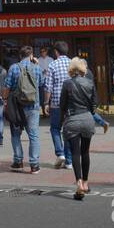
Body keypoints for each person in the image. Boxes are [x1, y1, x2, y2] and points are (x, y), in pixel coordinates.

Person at [59, 58, 98, 200]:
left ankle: (79, 183)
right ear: (82, 68)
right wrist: (90, 113)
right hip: (87, 119)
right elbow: (95, 103)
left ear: (71, 69)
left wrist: (60, 122)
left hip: (73, 119)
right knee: (85, 152)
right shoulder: (89, 82)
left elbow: (62, 105)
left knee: (75, 153)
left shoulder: (67, 84)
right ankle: (86, 183)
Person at [5, 46, 43, 173]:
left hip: (17, 107)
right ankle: (34, 165)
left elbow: (7, 86)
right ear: (31, 55)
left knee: (16, 134)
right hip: (33, 106)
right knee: (34, 135)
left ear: (20, 56)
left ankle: (18, 161)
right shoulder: (37, 68)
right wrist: (36, 64)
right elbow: (41, 84)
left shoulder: (14, 67)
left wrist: (5, 101)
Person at [42, 41, 73, 169]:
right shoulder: (74, 64)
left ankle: (60, 153)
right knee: (69, 132)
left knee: (55, 129)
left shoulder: (53, 65)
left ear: (56, 52)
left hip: (56, 103)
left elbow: (48, 87)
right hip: (72, 103)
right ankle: (69, 161)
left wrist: (45, 103)